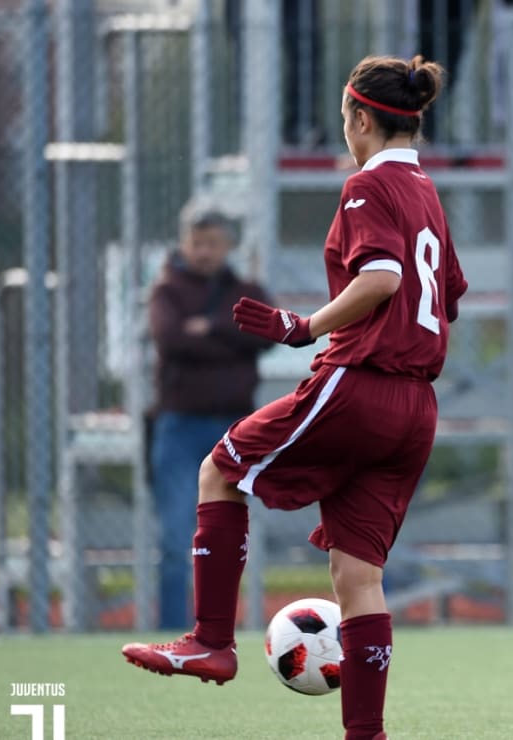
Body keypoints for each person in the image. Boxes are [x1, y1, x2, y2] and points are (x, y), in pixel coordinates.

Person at [122, 53, 468, 740]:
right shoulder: (427, 192)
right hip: (416, 407)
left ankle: (210, 642)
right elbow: (447, 294)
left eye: (346, 120)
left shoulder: (367, 187)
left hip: (360, 384)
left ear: (361, 118)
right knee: (357, 576)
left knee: (220, 470)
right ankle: (365, 734)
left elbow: (384, 278)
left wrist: (304, 326)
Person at [146, 206, 274, 630]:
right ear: (184, 243)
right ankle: (172, 631)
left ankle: (223, 630)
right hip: (180, 426)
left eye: (212, 244)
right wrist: (230, 338)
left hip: (235, 431)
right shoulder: (167, 291)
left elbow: (267, 333)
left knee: (229, 538)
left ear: (229, 247)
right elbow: (173, 339)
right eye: (196, 243)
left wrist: (209, 328)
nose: (203, 252)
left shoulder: (246, 289)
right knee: (174, 540)